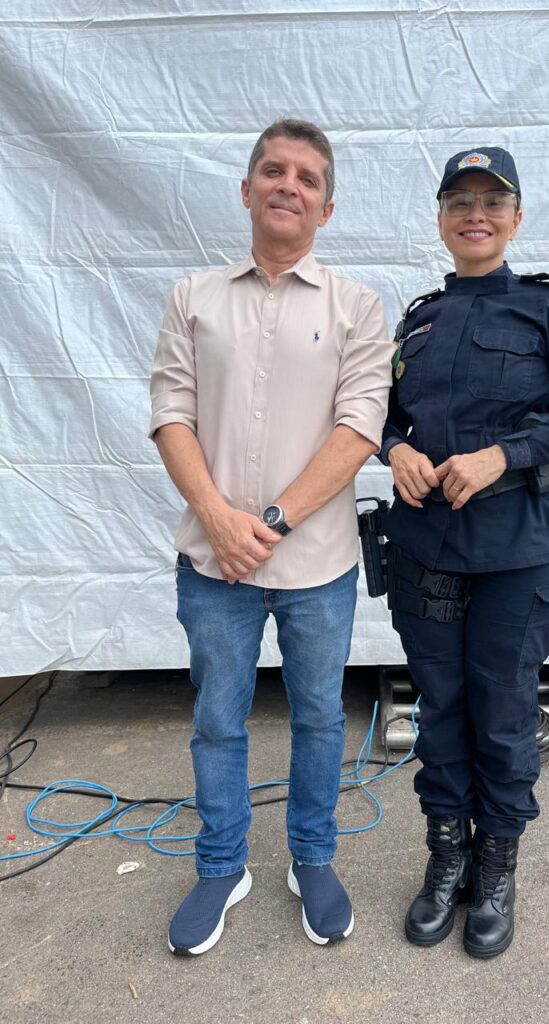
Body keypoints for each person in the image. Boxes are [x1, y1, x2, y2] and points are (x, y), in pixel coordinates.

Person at [149, 119, 391, 955]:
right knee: (219, 717)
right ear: (246, 190)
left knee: (321, 716)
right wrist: (220, 519)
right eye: (274, 171)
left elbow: (360, 427)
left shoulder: (356, 306)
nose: (289, 185)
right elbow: (170, 413)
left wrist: (274, 522)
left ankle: (311, 860)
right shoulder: (193, 298)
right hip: (213, 563)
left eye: (308, 178)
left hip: (317, 564)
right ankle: (222, 867)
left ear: (326, 208)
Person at [381, 147, 549, 959]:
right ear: (442, 218)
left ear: (516, 218)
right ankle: (446, 856)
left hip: (518, 550)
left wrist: (504, 456)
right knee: (441, 708)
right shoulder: (418, 316)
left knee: (505, 708)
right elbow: (380, 415)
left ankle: (497, 866)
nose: (475, 214)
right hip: (426, 551)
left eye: (493, 201)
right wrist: (394, 451)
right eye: (460, 201)